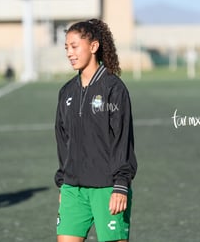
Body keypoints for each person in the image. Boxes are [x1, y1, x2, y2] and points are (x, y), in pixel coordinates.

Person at [54, 19, 138, 242]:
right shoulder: (66, 92)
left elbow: (122, 140)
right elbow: (63, 141)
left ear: (93, 46)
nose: (69, 53)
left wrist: (120, 185)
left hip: (107, 188)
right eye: (66, 48)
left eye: (74, 46)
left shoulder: (113, 89)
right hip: (73, 189)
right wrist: (63, 182)